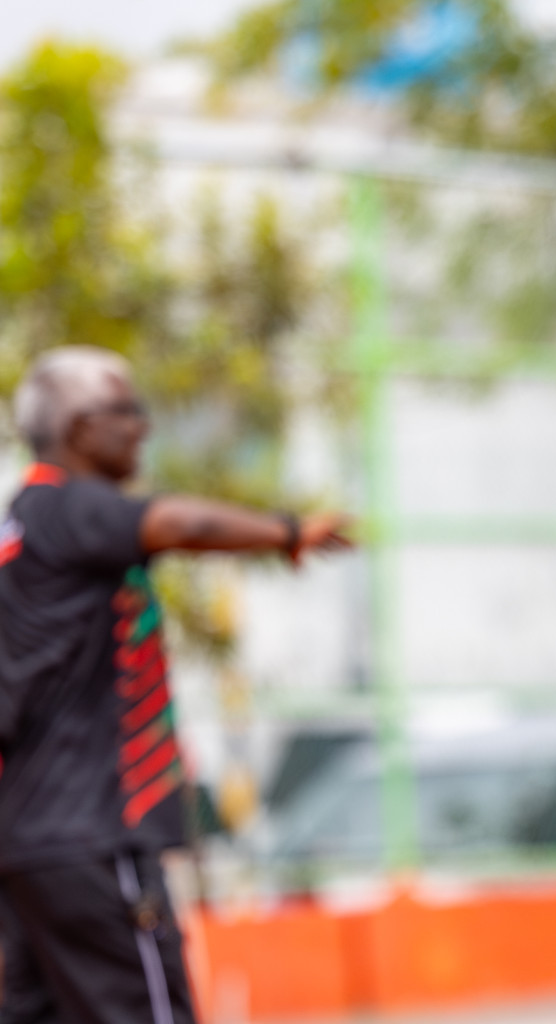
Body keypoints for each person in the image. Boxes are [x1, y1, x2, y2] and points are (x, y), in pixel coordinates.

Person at [0, 346, 350, 1024]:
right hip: (93, 837)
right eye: (127, 411)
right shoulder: (71, 507)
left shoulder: (20, 530)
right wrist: (288, 532)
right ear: (78, 429)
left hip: (27, 846)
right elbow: (177, 524)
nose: (143, 427)